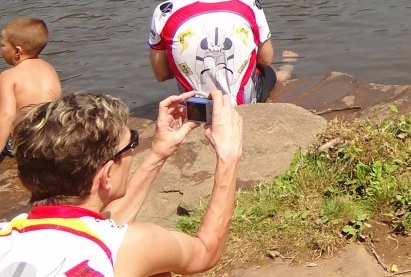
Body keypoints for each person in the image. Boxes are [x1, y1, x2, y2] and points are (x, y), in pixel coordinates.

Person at [0, 90, 242, 277]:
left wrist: (157, 155)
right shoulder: (138, 244)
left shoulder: (7, 235)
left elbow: (97, 233)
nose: (133, 150)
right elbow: (205, 252)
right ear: (106, 174)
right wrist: (228, 157)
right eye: (132, 143)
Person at [149, 0, 276, 105]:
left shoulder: (165, 11)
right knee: (269, 71)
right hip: (240, 105)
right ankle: (285, 71)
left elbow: (161, 74)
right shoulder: (247, 1)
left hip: (195, 109)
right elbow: (265, 59)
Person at [0, 18, 61, 158]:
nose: (1, 50)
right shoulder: (49, 68)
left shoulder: (8, 76)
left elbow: (6, 116)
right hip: (50, 138)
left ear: (17, 51)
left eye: (2, 45)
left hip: (25, 144)